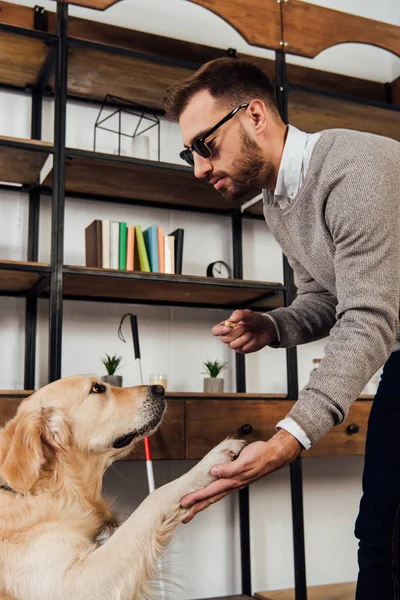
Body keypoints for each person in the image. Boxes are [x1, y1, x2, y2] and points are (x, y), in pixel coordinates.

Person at [163, 57, 400, 598]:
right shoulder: (276, 201)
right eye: (189, 154)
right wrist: (274, 325)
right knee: (381, 531)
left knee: (387, 534)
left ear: (254, 116)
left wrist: (290, 438)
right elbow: (325, 296)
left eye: (205, 145)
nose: (198, 168)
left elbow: (367, 317)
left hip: (390, 336)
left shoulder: (352, 169)